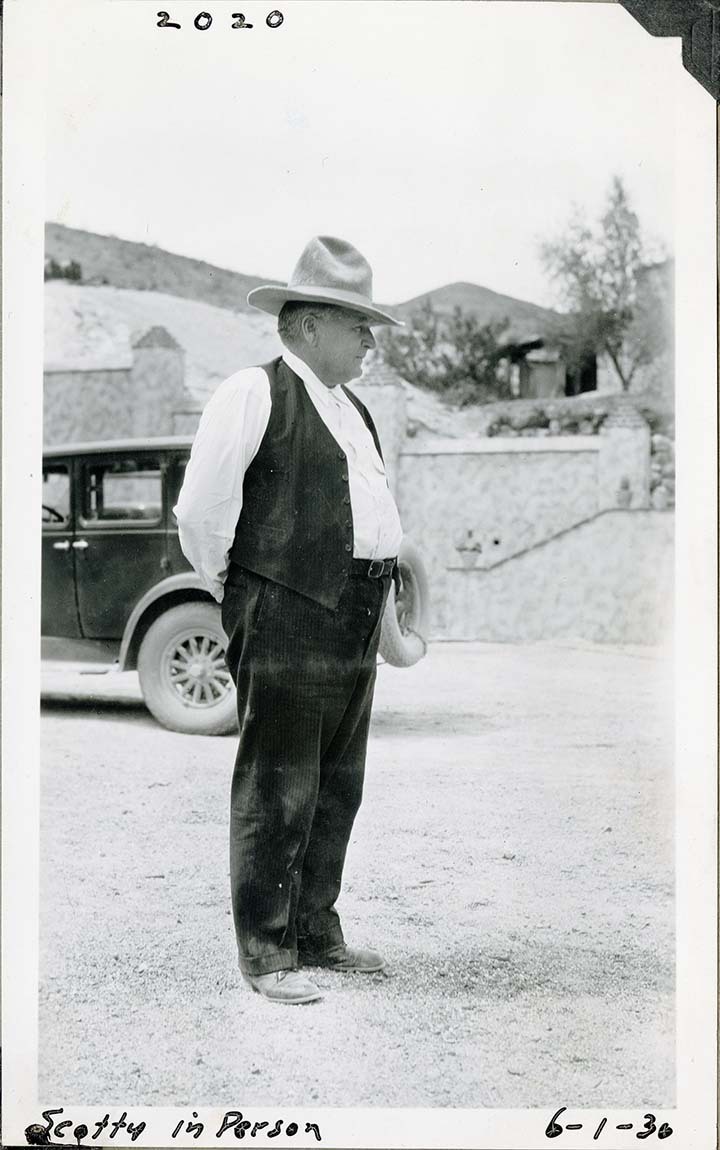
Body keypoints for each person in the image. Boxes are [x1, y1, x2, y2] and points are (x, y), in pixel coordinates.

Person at [174, 236, 404, 1004]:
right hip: (285, 607)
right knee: (279, 782)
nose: (369, 340)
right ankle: (267, 953)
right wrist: (239, 592)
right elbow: (201, 510)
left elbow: (375, 522)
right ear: (306, 325)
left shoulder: (351, 410)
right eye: (356, 325)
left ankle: (314, 932)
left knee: (338, 783)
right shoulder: (253, 391)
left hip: (355, 612)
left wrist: (389, 621)